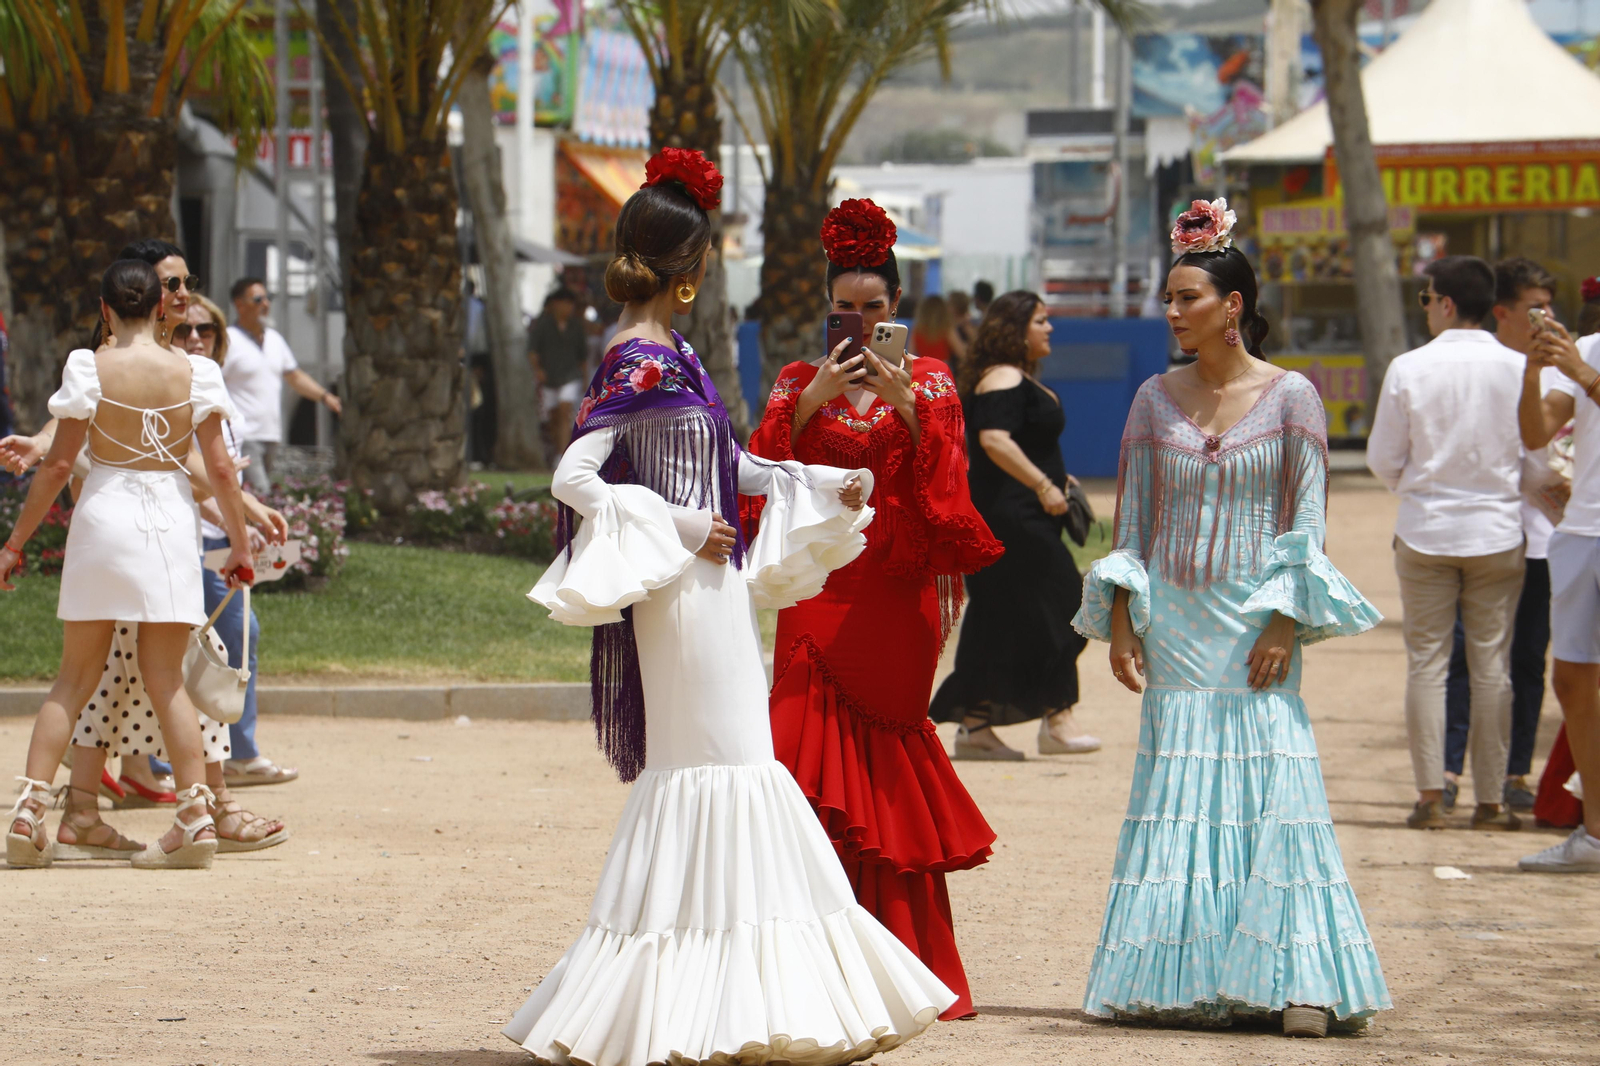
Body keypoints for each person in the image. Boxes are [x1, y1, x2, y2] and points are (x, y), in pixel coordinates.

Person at [504, 150, 956, 1063]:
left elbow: (729, 465)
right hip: (681, 594)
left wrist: (819, 483)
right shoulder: (637, 360)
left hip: (711, 592)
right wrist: (680, 525)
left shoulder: (675, 354)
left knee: (738, 766)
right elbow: (573, 477)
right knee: (721, 767)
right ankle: (708, 1000)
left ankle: (728, 999)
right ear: (692, 267)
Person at [1075, 199, 1389, 1035]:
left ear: (1232, 306)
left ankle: (1300, 981)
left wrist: (1285, 619)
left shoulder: (1293, 398)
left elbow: (1306, 521)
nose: (1173, 313)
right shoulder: (1152, 398)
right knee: (1180, 790)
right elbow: (1133, 523)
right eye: (1168, 300)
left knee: (1278, 778)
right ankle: (1179, 981)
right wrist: (1122, 617)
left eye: (1188, 298)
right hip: (1177, 626)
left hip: (1255, 618)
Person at [748, 197, 1003, 1020]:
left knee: (884, 769)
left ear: (897, 306)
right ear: (828, 307)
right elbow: (758, 475)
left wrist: (910, 408)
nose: (858, 321)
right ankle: (804, 966)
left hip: (896, 594)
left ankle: (902, 960)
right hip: (818, 592)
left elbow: (951, 485)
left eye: (873, 306)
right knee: (798, 758)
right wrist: (810, 401)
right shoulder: (798, 381)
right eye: (843, 307)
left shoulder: (930, 381)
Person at [2, 259, 254, 870]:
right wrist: (241, 544)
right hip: (168, 523)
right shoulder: (195, 371)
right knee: (167, 679)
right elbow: (221, 471)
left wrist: (14, 544)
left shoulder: (87, 365)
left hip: (103, 520)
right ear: (160, 307)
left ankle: (30, 810)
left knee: (72, 678)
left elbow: (58, 466)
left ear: (105, 308)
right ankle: (194, 818)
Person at [1367, 255, 1526, 831]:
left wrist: (1417, 490)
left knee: (1428, 666)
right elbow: (1534, 454)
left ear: (1447, 303)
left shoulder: (1409, 367)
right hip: (1498, 531)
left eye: (1427, 298)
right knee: (1492, 668)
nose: (1426, 309)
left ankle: (1431, 795)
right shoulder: (1519, 367)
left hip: (1426, 530)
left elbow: (1383, 458)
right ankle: (1492, 801)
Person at [930, 290, 1097, 758]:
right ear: (1016, 329)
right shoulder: (1003, 376)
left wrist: (1058, 479)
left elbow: (1020, 441)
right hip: (1013, 517)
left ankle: (976, 725)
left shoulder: (1011, 376)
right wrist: (1043, 484)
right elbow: (994, 440)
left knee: (999, 617)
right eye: (1041, 320)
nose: (1049, 328)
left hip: (1019, 515)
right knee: (1069, 602)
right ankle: (1057, 718)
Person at [1441, 259, 1564, 813]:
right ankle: (1449, 770)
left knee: (1528, 660)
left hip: (1541, 538)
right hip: (1482, 536)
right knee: (1463, 659)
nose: (1547, 318)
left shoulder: (1561, 373)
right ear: (1502, 312)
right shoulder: (1486, 369)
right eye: (1536, 308)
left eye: (1551, 307)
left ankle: (1516, 774)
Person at [1514, 308, 1600, 872]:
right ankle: (1595, 835)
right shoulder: (1587, 346)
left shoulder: (1584, 361)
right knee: (1572, 682)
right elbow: (1536, 433)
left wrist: (1584, 375)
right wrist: (1532, 371)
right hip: (1581, 531)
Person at [226, 276, 342, 492]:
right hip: (243, 436)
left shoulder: (275, 339)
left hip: (271, 435)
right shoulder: (227, 340)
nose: (266, 304)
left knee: (252, 497)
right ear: (239, 305)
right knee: (261, 492)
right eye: (258, 299)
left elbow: (295, 377)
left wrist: (326, 397)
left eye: (267, 298)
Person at [526, 287, 588, 458]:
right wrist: (538, 370)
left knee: (564, 411)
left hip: (570, 376)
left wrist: (585, 378)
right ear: (555, 304)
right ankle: (558, 450)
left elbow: (582, 356)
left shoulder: (576, 326)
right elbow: (532, 351)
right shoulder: (543, 325)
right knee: (554, 417)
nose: (568, 308)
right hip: (550, 378)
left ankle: (563, 455)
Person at [911, 292, 952, 363]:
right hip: (941, 367)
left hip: (924, 366)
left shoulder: (918, 329)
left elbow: (910, 353)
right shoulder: (946, 329)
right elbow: (961, 352)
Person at [947, 290, 974, 370]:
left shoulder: (965, 326)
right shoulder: (954, 324)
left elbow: (963, 353)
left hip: (961, 368)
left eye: (949, 304)